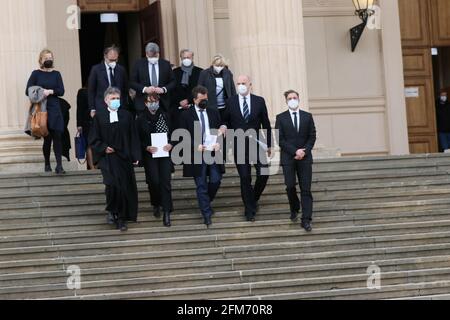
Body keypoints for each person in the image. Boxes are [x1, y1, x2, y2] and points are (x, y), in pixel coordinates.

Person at [88, 87, 141, 232]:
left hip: (124, 157)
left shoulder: (126, 116)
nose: (115, 101)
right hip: (108, 158)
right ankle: (112, 210)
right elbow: (93, 138)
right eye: (112, 98)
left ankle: (121, 218)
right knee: (112, 185)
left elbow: (133, 137)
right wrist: (104, 147)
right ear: (106, 101)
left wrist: (135, 156)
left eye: (117, 98)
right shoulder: (99, 116)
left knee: (124, 187)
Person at [222, 75, 272, 222]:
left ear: (250, 84)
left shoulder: (259, 101)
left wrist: (269, 144)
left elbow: (266, 124)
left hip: (257, 142)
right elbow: (225, 120)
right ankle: (249, 210)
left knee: (264, 173)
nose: (241, 85)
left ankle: (253, 199)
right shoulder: (230, 102)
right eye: (238, 83)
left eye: (243, 83)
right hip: (239, 143)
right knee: (245, 177)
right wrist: (224, 126)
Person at [179, 86, 227, 227]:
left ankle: (205, 201)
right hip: (196, 154)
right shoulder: (186, 115)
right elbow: (182, 135)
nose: (204, 102)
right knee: (201, 185)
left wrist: (220, 141)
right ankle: (206, 213)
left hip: (212, 152)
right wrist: (195, 146)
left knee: (215, 180)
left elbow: (220, 127)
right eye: (201, 100)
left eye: (206, 99)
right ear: (194, 100)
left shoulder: (213, 112)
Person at [275, 90, 316, 232]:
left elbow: (312, 136)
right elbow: (280, 139)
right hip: (288, 158)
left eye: (295, 98)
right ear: (286, 101)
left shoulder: (307, 116)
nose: (293, 100)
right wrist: (295, 151)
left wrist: (304, 151)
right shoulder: (281, 118)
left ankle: (306, 220)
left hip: (305, 158)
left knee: (306, 189)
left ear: (299, 99)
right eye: (290, 98)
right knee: (290, 186)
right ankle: (294, 207)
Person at [136, 93, 174, 227]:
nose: (153, 104)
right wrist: (146, 147)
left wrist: (171, 144)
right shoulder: (140, 118)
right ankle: (156, 203)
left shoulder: (165, 115)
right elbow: (137, 139)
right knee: (154, 181)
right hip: (150, 154)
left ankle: (167, 211)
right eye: (150, 101)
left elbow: (173, 133)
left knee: (165, 181)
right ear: (145, 103)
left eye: (155, 101)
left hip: (164, 153)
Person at [26, 49, 66, 174]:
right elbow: (28, 90)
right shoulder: (36, 74)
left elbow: (61, 90)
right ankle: (47, 163)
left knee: (58, 136)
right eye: (46, 57)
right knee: (47, 138)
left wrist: (51, 91)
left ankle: (59, 166)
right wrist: (40, 91)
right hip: (41, 108)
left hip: (54, 107)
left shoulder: (57, 74)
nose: (48, 59)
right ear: (41, 60)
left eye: (50, 57)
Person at [130, 42, 176, 114]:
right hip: (143, 103)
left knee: (163, 124)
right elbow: (132, 82)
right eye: (151, 57)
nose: (153, 59)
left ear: (158, 53)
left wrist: (163, 89)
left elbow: (173, 82)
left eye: (155, 56)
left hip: (163, 104)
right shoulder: (138, 64)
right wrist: (145, 89)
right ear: (146, 54)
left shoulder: (165, 64)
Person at [88, 45, 129, 118]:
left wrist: (125, 104)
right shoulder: (96, 70)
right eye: (111, 60)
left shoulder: (121, 70)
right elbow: (91, 90)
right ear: (105, 57)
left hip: (119, 106)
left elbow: (125, 89)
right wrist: (92, 108)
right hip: (102, 107)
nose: (113, 62)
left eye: (115, 60)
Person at [171, 49, 203, 128]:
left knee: (196, 134)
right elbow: (172, 90)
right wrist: (180, 102)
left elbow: (200, 89)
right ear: (181, 58)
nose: (186, 59)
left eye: (188, 57)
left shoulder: (200, 72)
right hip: (178, 109)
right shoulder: (174, 72)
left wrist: (188, 100)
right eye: (184, 58)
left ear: (192, 58)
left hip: (195, 107)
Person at [198, 54, 236, 119]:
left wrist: (234, 102)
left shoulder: (227, 73)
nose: (219, 67)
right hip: (210, 106)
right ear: (213, 64)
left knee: (225, 124)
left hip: (225, 106)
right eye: (217, 65)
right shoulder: (204, 73)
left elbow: (232, 88)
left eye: (221, 65)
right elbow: (199, 89)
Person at [76, 82, 94, 169]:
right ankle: (92, 166)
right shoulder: (82, 92)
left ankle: (97, 165)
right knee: (89, 144)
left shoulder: (101, 91)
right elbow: (79, 108)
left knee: (98, 144)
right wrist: (79, 124)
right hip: (87, 122)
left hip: (99, 122)